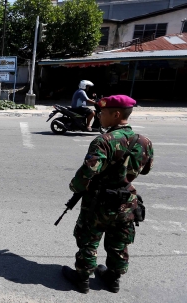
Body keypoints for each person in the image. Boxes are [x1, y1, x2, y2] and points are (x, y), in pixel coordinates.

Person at [62, 95, 154, 294]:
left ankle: (82, 279)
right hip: (126, 201)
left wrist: (75, 187)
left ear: (116, 115)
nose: (100, 117)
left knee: (89, 239)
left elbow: (87, 172)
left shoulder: (103, 141)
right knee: (119, 241)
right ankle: (113, 279)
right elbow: (146, 169)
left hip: (99, 201)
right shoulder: (144, 141)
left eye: (103, 113)